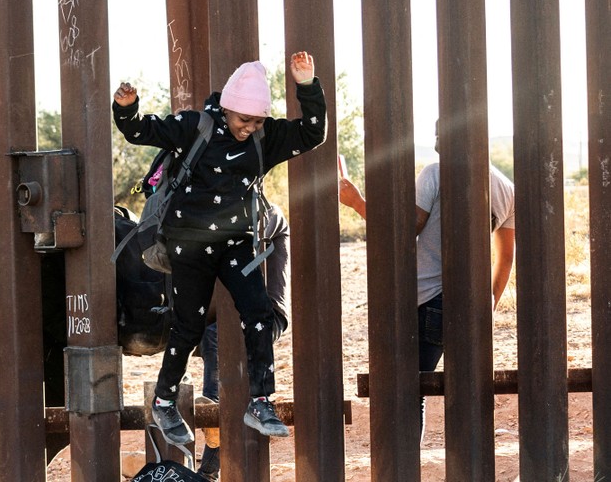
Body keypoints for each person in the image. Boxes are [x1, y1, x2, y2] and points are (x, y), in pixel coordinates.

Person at [112, 51, 328, 445]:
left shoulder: (265, 137)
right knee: (189, 325)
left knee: (258, 311)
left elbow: (313, 133)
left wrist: (308, 85)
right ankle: (163, 400)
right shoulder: (195, 126)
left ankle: (261, 400)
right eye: (245, 119)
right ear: (227, 108)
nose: (250, 128)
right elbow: (141, 131)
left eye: (258, 121)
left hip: (236, 243)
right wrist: (126, 108)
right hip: (189, 245)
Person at [337, 121, 515, 441]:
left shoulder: (435, 173)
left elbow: (402, 232)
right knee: (467, 395)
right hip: (472, 305)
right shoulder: (505, 187)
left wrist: (356, 202)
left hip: (429, 302)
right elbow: (506, 258)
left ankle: (408, 469)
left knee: (410, 393)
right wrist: (488, 304)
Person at [196, 202, 291, 480]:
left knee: (219, 341)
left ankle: (213, 416)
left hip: (266, 315)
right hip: (226, 315)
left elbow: (249, 230)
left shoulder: (269, 212)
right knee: (229, 379)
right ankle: (208, 470)